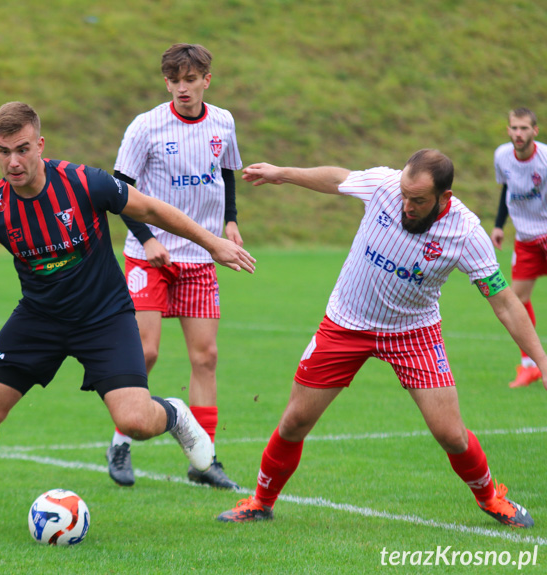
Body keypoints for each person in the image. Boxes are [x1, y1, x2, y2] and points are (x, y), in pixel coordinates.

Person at [0, 101, 256, 533]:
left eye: (22, 149)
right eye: (3, 151)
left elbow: (149, 209)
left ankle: (174, 414)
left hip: (104, 318)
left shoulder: (83, 183)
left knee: (135, 421)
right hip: (40, 319)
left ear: (40, 144)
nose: (13, 162)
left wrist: (213, 243)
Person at [217, 149, 543, 529]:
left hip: (413, 334)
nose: (406, 205)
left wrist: (541, 359)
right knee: (295, 421)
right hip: (345, 324)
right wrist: (283, 173)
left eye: (418, 200)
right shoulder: (385, 185)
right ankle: (260, 502)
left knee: (450, 433)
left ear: (444, 198)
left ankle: (491, 499)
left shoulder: (466, 232)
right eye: (404, 194)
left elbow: (504, 302)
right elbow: (338, 179)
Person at [104, 43, 243, 490]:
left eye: (190, 79)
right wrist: (146, 240)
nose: (182, 88)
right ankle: (121, 440)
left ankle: (204, 461)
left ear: (207, 79)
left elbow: (226, 174)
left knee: (206, 357)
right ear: (166, 82)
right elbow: (117, 193)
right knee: (145, 352)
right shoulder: (145, 127)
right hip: (150, 256)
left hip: (201, 257)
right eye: (174, 80)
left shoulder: (223, 122)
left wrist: (231, 222)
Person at [490, 107, 547, 388]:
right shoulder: (502, 155)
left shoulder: (545, 159)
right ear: (508, 130)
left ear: (535, 131)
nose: (518, 133)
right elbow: (506, 190)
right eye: (514, 128)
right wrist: (499, 225)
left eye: (524, 128)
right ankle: (530, 366)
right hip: (525, 239)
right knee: (517, 300)